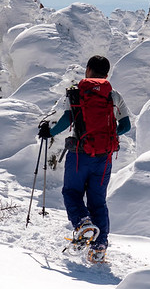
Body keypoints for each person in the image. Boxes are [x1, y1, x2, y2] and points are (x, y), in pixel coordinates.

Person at [38, 55, 131, 263]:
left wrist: (49, 133)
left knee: (72, 193)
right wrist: (106, 134)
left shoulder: (78, 93)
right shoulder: (114, 95)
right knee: (98, 201)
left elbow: (67, 119)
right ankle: (99, 247)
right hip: (104, 158)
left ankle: (83, 224)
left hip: (79, 155)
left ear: (88, 70)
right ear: (106, 75)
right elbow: (126, 127)